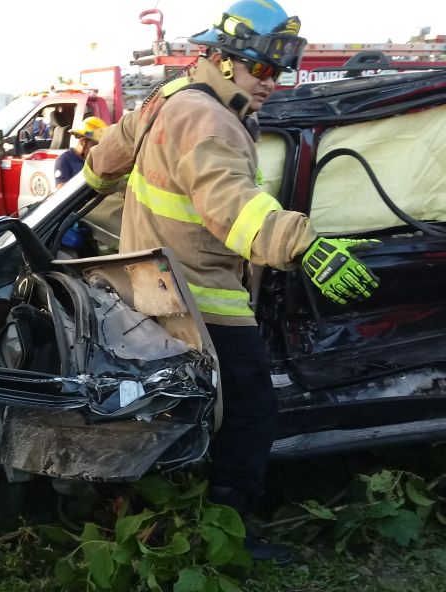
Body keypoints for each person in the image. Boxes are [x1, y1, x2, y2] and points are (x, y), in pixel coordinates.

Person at [83, 0, 379, 561]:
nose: (270, 82)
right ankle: (229, 530)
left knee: (182, 409)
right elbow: (230, 203)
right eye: (260, 67)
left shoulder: (169, 98)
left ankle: (169, 517)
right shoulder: (211, 120)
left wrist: (94, 178)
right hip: (203, 298)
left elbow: (109, 152)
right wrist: (302, 243)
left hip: (151, 291)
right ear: (221, 58)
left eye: (278, 71)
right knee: (251, 412)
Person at [54, 116, 107, 189]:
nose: (97, 149)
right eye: (95, 145)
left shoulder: (95, 160)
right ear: (82, 142)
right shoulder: (64, 160)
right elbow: (61, 189)